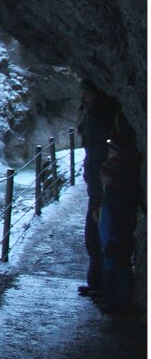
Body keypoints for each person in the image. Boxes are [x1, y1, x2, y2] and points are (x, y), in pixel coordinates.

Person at [77, 80, 118, 297]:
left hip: (104, 181)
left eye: (85, 94)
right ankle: (97, 283)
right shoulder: (93, 111)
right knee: (94, 230)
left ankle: (105, 288)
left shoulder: (103, 113)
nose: (82, 98)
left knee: (103, 230)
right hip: (96, 179)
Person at [98, 114, 142, 314]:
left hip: (117, 227)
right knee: (116, 258)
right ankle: (113, 298)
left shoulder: (119, 190)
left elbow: (117, 216)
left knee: (116, 259)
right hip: (116, 222)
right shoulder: (122, 186)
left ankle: (116, 301)